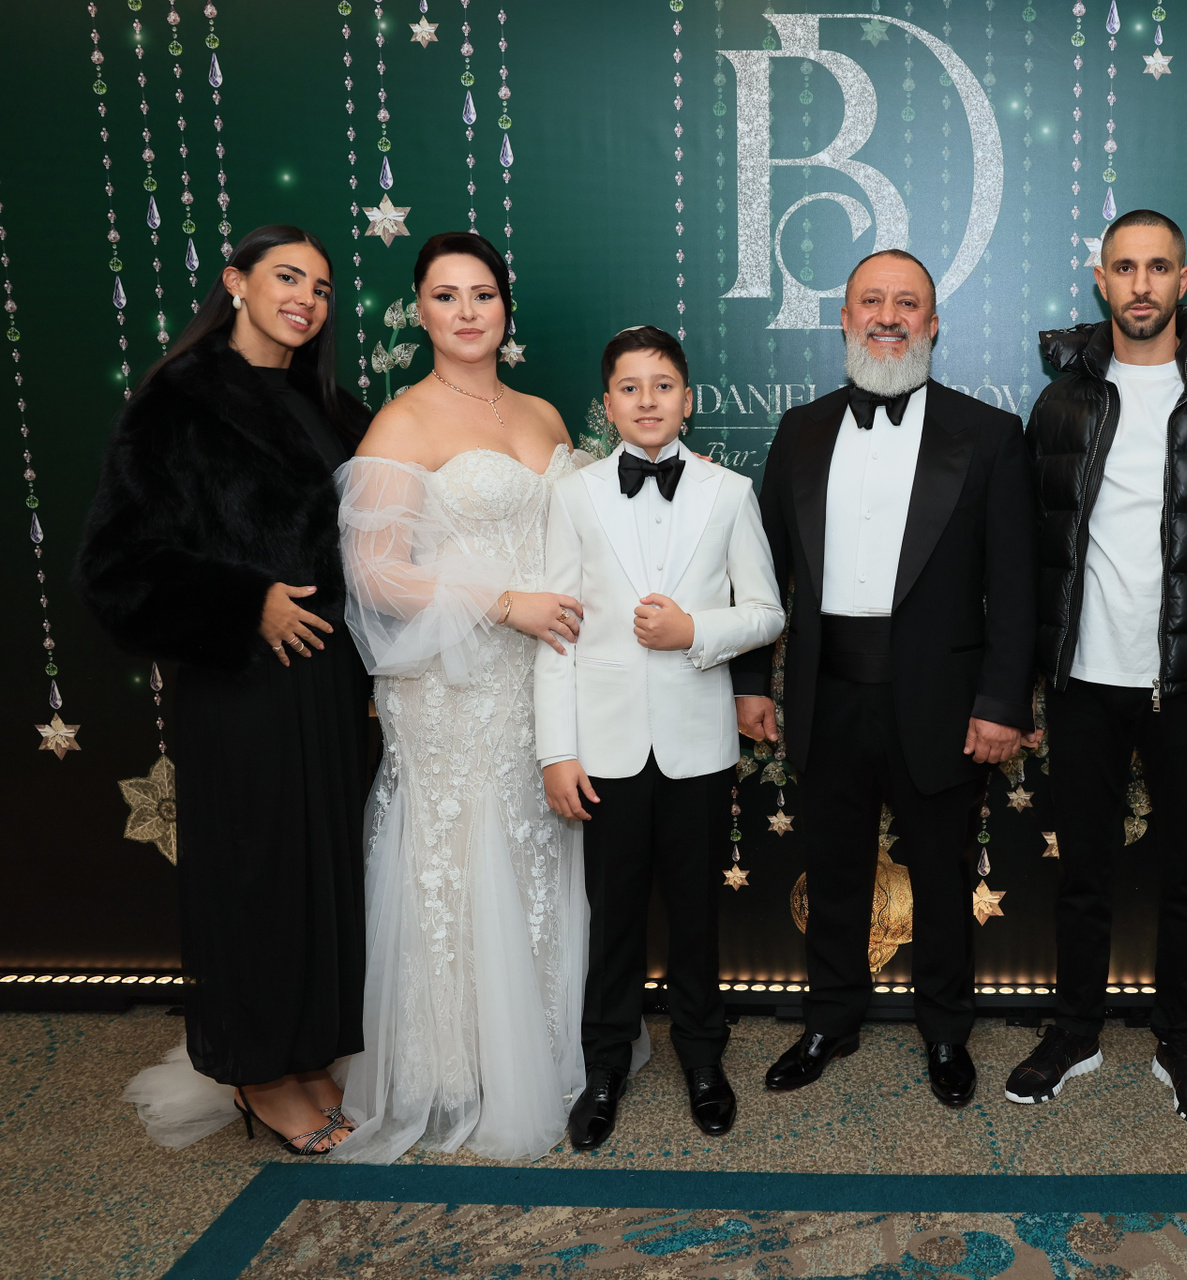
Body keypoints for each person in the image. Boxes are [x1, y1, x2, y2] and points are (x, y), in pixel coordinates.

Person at [77, 225, 371, 1155]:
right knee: (255, 876)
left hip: (327, 681)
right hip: (240, 685)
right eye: (288, 278)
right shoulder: (178, 400)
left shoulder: (331, 405)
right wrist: (247, 605)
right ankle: (257, 1074)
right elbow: (115, 568)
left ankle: (308, 1054)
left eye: (321, 288)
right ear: (236, 282)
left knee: (320, 874)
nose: (306, 300)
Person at [1010, 209, 1187, 1127]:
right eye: (1125, 268)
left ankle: (1182, 1042)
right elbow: (1030, 548)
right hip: (1083, 681)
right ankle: (1076, 1032)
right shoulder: (1063, 401)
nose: (1141, 285)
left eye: (1158, 267)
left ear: (1185, 278)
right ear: (1101, 280)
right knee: (1082, 873)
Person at [733, 249, 1037, 1108]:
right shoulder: (800, 430)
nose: (889, 317)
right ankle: (829, 1020)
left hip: (942, 697)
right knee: (832, 870)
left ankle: (946, 1032)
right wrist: (751, 681)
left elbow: (1016, 586)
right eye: (872, 301)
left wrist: (1002, 703)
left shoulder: (989, 435)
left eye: (908, 304)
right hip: (827, 690)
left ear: (933, 324)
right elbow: (762, 574)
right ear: (845, 318)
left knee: (942, 875)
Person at [330, 231, 595, 1163]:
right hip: (450, 684)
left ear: (505, 307)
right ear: (420, 310)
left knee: (532, 849)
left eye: (483, 293)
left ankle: (535, 1050)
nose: (467, 311)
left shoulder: (542, 412)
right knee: (456, 851)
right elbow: (375, 574)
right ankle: (450, 1069)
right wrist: (504, 603)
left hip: (538, 676)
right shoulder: (402, 423)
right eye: (446, 296)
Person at [536, 325, 783, 1145]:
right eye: (630, 387)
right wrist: (556, 750)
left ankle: (703, 1058)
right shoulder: (573, 496)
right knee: (611, 918)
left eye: (663, 385)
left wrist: (695, 632)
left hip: (696, 747)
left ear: (688, 399)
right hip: (603, 746)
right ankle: (604, 1067)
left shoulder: (730, 493)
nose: (648, 400)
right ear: (606, 405)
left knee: (695, 913)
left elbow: (767, 612)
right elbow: (556, 631)